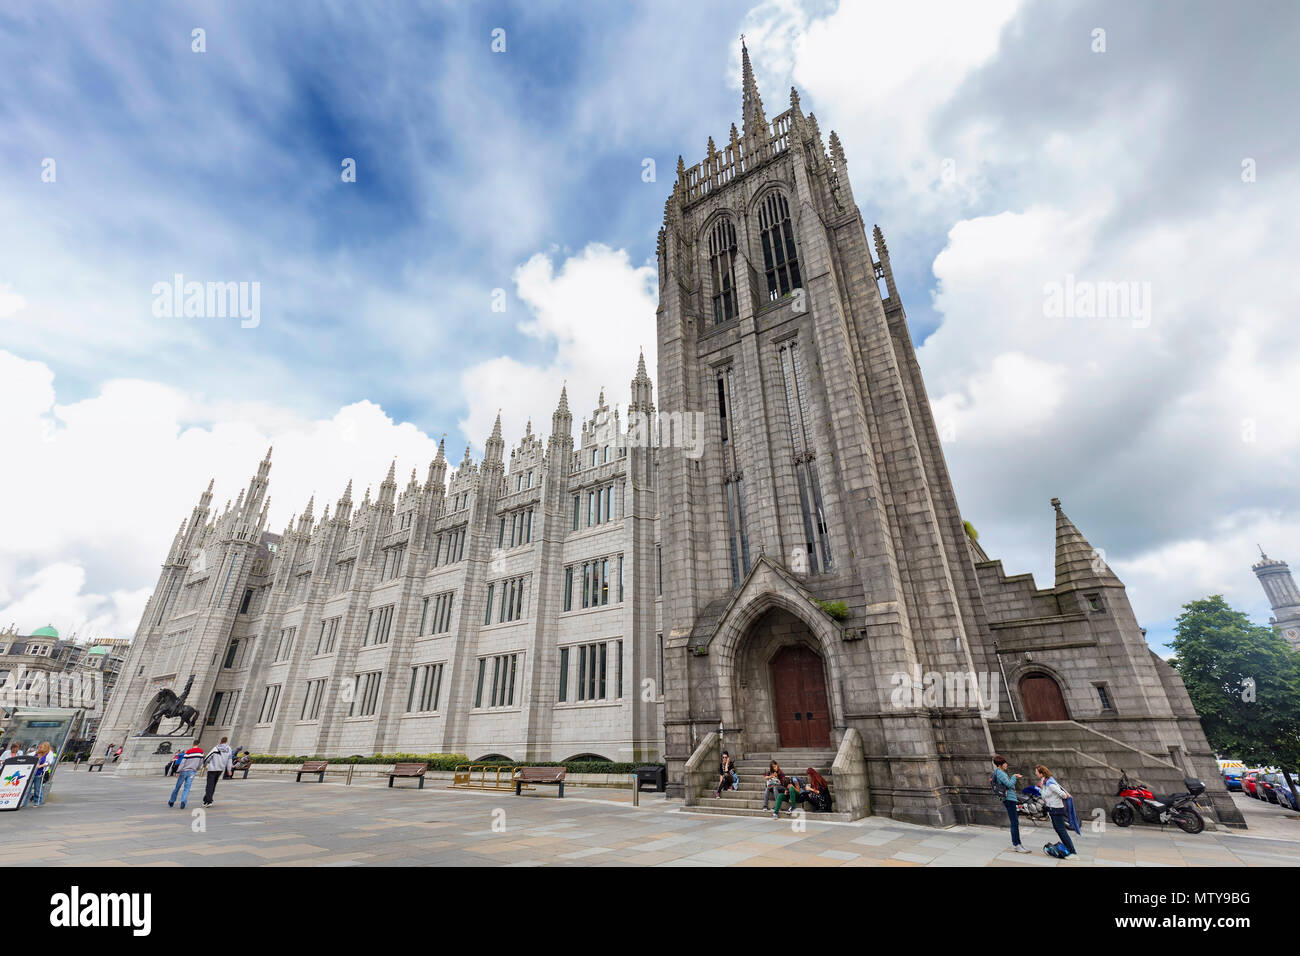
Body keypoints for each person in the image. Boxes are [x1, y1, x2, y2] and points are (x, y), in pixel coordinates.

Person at [1035, 765, 1078, 857]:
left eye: (1037, 772)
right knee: (1058, 830)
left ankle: (1073, 852)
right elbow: (1044, 796)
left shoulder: (1050, 783)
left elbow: (1062, 794)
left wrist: (1065, 796)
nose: (1035, 773)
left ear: (1042, 773)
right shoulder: (1045, 782)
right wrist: (1041, 787)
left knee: (1062, 830)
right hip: (1052, 809)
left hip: (1057, 809)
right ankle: (1069, 849)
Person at [993, 755, 1032, 854]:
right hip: (1009, 799)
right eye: (1005, 763)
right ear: (1000, 765)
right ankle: (1016, 845)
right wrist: (1014, 777)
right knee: (1014, 823)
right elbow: (1009, 784)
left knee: (1015, 822)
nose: (1006, 765)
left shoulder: (1000, 772)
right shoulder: (1000, 773)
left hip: (1010, 799)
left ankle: (1017, 844)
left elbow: (1008, 784)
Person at [201, 737, 233, 807]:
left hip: (212, 769)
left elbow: (208, 757)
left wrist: (204, 764)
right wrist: (229, 770)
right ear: (226, 741)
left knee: (209, 785)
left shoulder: (216, 748)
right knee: (213, 785)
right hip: (220, 769)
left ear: (220, 741)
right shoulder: (229, 749)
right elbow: (229, 760)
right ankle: (206, 800)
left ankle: (208, 801)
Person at [25, 742, 53, 807]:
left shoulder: (49, 753)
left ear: (45, 747)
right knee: (27, 789)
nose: (39, 748)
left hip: (39, 773)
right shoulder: (36, 752)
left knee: (37, 788)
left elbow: (48, 762)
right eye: (39, 747)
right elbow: (28, 755)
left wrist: (40, 766)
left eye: (41, 747)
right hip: (31, 773)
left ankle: (37, 802)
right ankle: (24, 802)